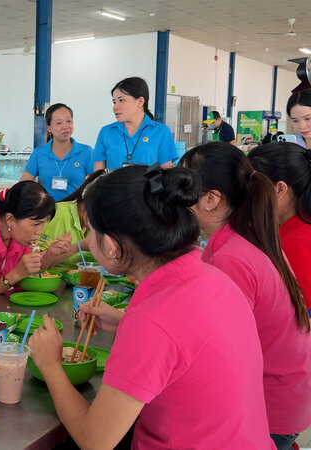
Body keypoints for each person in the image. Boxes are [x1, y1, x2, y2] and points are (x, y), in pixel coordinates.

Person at [28, 165, 271, 448]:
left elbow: (95, 440)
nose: (88, 241)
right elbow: (184, 347)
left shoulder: (152, 321)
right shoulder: (215, 278)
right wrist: (125, 322)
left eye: (90, 232)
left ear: (111, 246)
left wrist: (50, 364)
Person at [182, 142, 311, 449]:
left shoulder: (232, 258)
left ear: (211, 199)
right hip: (284, 396)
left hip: (268, 407)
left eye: (184, 188)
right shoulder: (242, 237)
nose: (177, 199)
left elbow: (214, 353)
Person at [249, 142, 311, 312]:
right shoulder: (294, 227)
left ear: (280, 189)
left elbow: (303, 315)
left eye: (252, 187)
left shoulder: (295, 242)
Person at [93, 77, 177, 170]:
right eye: (114, 102)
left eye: (121, 100)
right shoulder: (106, 132)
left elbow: (166, 172)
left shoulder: (161, 132)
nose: (115, 107)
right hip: (113, 180)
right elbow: (98, 174)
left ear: (140, 101)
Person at [37, 170, 107, 272]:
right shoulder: (58, 215)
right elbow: (37, 264)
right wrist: (79, 246)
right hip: (53, 279)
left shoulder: (91, 223)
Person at [20, 104, 93, 201]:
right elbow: (23, 185)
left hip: (76, 208)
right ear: (48, 127)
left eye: (69, 121)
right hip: (47, 209)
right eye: (59, 123)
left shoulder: (86, 152)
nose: (65, 126)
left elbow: (99, 184)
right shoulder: (39, 153)